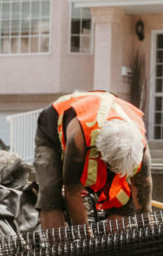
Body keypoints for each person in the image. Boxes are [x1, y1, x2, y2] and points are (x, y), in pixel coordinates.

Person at [33, 91, 153, 230]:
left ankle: (116, 245)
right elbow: (72, 190)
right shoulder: (80, 137)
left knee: (124, 197)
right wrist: (86, 238)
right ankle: (57, 247)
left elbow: (142, 189)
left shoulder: (139, 145)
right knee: (50, 193)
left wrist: (148, 232)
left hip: (102, 129)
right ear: (101, 153)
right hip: (53, 126)